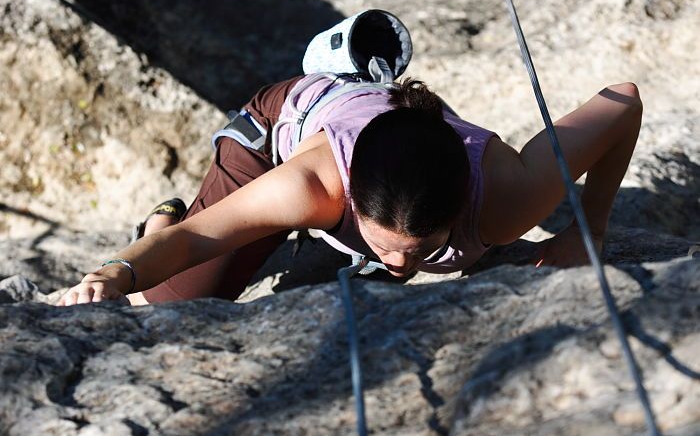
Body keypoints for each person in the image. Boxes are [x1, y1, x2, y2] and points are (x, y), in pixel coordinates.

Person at [57, 73, 642, 307]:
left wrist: (586, 227)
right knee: (176, 303)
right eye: (385, 244)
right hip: (285, 126)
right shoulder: (310, 187)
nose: (399, 262)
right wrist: (118, 272)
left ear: (460, 209)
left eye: (421, 248)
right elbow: (189, 242)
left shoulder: (509, 198)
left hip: (402, 141)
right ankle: (155, 215)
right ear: (349, 204)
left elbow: (622, 100)